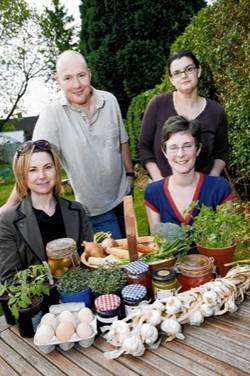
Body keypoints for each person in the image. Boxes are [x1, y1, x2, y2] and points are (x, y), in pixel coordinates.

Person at [1, 50, 135, 239]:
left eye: (81, 75)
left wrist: (129, 176)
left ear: (89, 73)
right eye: (68, 78)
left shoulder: (109, 100)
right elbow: (30, 160)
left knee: (136, 254)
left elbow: (122, 141)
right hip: (95, 210)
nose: (77, 85)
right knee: (118, 262)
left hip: (125, 196)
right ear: (58, 80)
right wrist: (8, 206)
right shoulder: (52, 115)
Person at [0, 140, 93, 280]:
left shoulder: (77, 210)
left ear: (56, 169)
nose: (42, 175)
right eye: (32, 170)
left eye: (48, 167)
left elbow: (89, 259)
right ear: (22, 176)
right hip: (40, 300)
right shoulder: (8, 221)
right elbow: (8, 280)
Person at [139, 50, 229, 181]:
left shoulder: (216, 111)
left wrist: (212, 178)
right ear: (171, 79)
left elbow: (222, 152)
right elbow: (144, 147)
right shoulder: (158, 105)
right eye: (177, 73)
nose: (184, 75)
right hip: (163, 186)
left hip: (203, 189)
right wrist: (159, 181)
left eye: (189, 69)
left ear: (198, 71)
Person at [144, 116, 234, 231]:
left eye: (187, 146)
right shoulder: (154, 192)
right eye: (173, 147)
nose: (180, 154)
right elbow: (156, 240)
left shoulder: (220, 189)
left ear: (198, 149)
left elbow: (226, 242)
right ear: (164, 151)